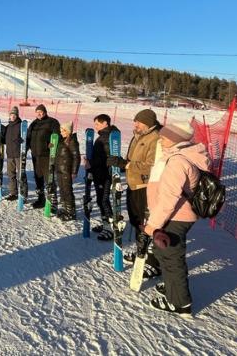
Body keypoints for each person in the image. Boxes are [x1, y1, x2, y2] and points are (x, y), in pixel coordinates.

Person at [144, 121, 211, 318]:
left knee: (172, 257)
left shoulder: (178, 162)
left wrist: (153, 225)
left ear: (176, 140)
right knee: (166, 254)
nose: (160, 140)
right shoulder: (180, 156)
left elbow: (168, 199)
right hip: (175, 215)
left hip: (175, 217)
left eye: (164, 137)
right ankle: (173, 288)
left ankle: (180, 303)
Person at [110, 109, 161, 269]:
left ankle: (152, 259)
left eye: (138, 122)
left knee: (146, 223)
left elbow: (152, 166)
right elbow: (132, 160)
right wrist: (122, 163)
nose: (135, 124)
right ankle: (142, 252)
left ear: (147, 123)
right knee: (135, 220)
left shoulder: (156, 139)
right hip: (133, 183)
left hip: (146, 186)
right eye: (135, 121)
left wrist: (127, 165)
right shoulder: (138, 135)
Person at [85, 114, 119, 240]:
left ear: (105, 123)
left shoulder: (108, 137)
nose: (96, 126)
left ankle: (110, 228)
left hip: (104, 174)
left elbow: (105, 158)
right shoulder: (102, 136)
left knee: (103, 200)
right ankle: (105, 223)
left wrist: (91, 163)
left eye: (97, 124)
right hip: (98, 173)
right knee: (101, 200)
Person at [26, 104, 60, 208]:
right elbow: (28, 136)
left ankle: (53, 203)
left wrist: (52, 144)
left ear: (45, 112)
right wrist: (25, 147)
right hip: (35, 156)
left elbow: (57, 135)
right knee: (38, 178)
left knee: (49, 178)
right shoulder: (34, 123)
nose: (39, 114)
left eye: (40, 112)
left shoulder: (52, 122)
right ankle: (41, 199)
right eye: (37, 112)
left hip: (47, 155)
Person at [54, 121, 80, 221]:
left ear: (68, 131)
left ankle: (71, 212)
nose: (61, 132)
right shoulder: (62, 140)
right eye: (61, 130)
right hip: (60, 170)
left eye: (63, 130)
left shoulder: (72, 141)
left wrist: (74, 172)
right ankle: (65, 208)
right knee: (62, 190)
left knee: (67, 191)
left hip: (67, 171)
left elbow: (76, 157)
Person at [3, 107, 23, 201]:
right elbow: (4, 140)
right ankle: (13, 193)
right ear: (9, 116)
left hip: (18, 154)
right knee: (11, 174)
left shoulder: (21, 125)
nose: (13, 116)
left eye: (15, 114)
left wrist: (22, 140)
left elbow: (26, 138)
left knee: (21, 175)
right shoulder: (7, 127)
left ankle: (23, 193)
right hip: (10, 154)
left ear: (17, 115)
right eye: (11, 114)